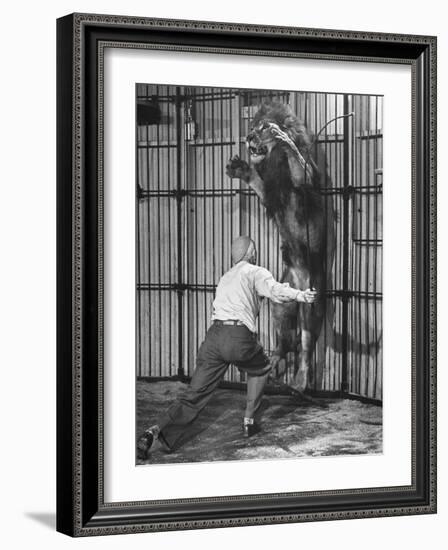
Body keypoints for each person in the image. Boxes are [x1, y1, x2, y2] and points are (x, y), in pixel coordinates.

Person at [137, 236, 317, 459]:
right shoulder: (255, 271)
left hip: (213, 338)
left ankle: (154, 432)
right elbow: (275, 290)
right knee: (260, 368)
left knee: (194, 394)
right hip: (238, 337)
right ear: (251, 252)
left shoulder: (225, 277)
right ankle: (249, 421)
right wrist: (300, 295)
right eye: (255, 250)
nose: (256, 254)